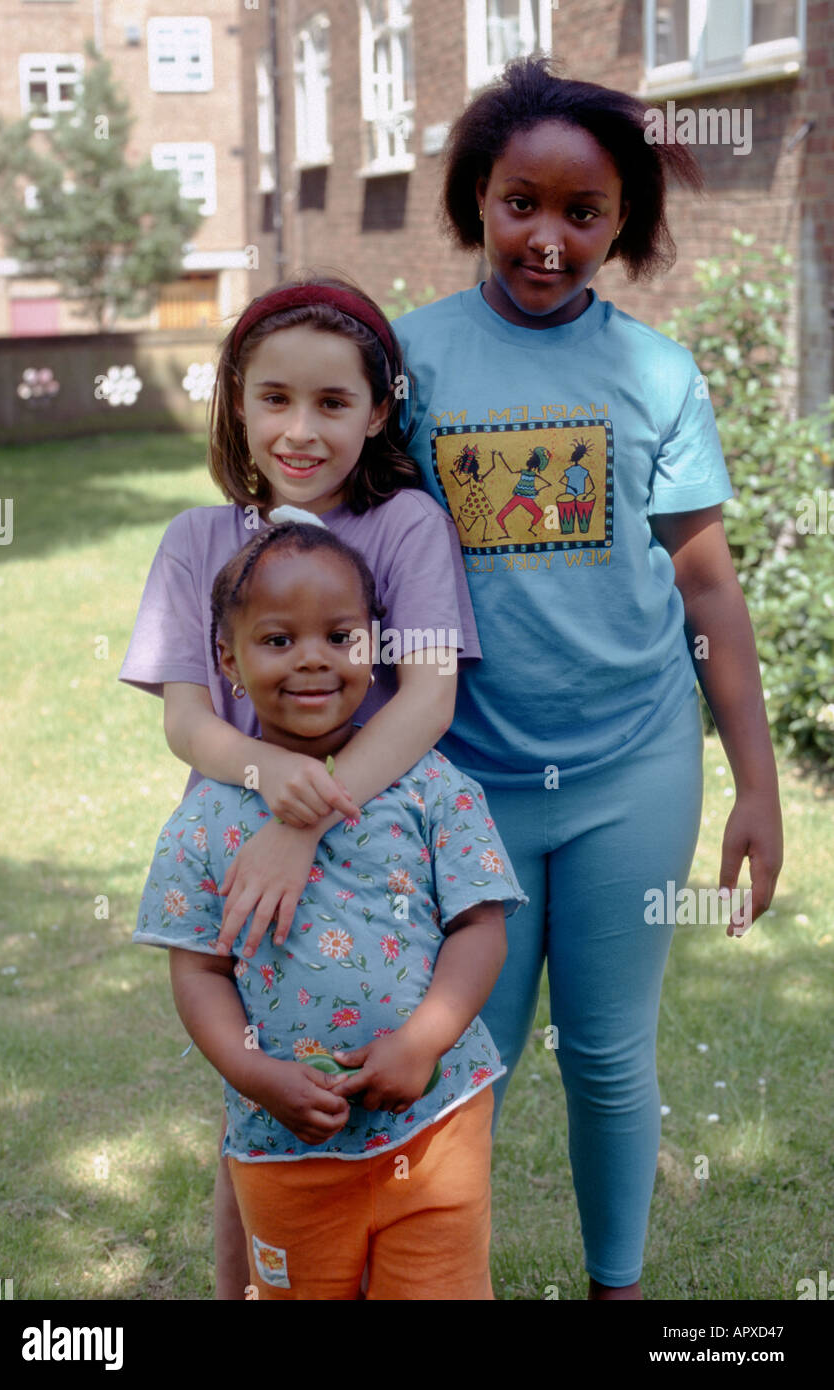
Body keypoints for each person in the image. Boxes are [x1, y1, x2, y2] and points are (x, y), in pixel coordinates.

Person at [391, 56, 783, 1300]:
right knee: (468, 1059)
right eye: (520, 203)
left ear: (624, 222)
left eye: (583, 212)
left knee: (612, 1058)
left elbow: (707, 590)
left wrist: (756, 787)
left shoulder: (657, 375)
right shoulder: (410, 365)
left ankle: (619, 1293)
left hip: (633, 767)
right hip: (462, 782)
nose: (547, 239)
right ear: (476, 201)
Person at [119, 278, 482, 1297]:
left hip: (372, 863)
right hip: (243, 871)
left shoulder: (405, 525)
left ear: (377, 411)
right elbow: (187, 719)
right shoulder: (196, 541)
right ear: (236, 399)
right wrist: (267, 776)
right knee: (258, 1120)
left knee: (386, 1114)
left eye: (333, 403)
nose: (301, 430)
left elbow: (427, 699)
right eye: (274, 398)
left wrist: (309, 821)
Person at [133, 520, 526, 1300]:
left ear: (375, 644)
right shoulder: (204, 823)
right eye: (278, 640)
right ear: (228, 661)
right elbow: (200, 971)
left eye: (340, 635)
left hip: (435, 1124)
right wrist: (254, 1074)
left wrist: (422, 1043)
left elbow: (480, 929)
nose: (313, 657)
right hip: (283, 1147)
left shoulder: (430, 786)